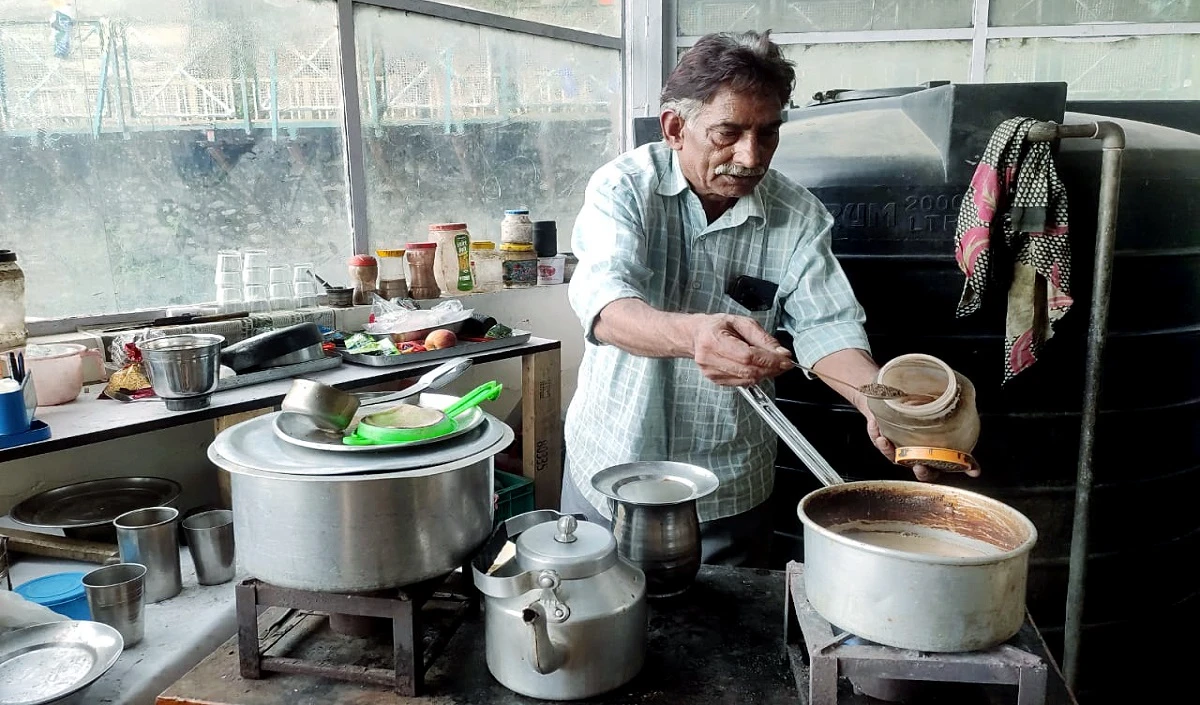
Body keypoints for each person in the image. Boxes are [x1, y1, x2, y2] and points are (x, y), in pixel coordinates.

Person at [560, 30, 977, 567]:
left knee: (727, 640)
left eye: (768, 134)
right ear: (675, 128)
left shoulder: (797, 215)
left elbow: (827, 327)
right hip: (612, 471)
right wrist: (695, 337)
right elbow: (607, 307)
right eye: (728, 133)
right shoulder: (622, 189)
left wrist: (878, 402)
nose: (750, 155)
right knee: (597, 627)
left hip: (728, 487)